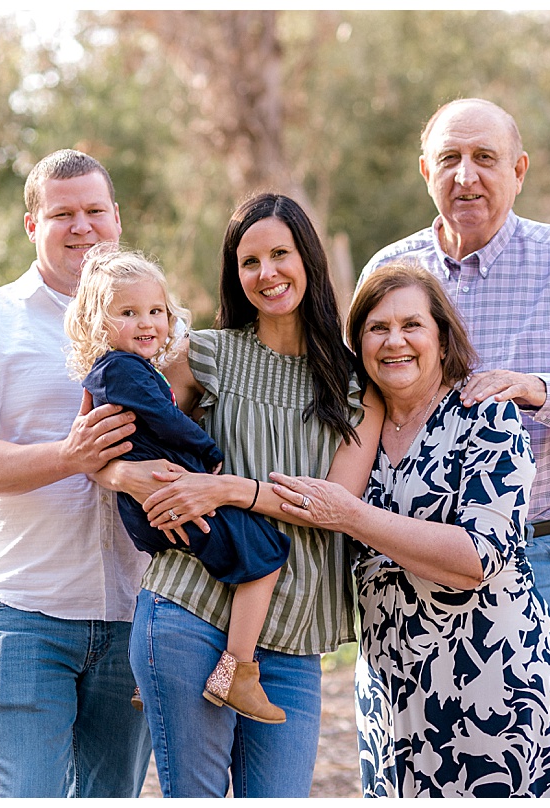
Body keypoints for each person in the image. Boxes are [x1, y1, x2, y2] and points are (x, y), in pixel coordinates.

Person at [359, 98, 550, 797]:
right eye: (451, 159)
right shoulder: (392, 267)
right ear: (425, 170)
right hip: (407, 570)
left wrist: (538, 390)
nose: (468, 175)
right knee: (413, 759)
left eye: (486, 158)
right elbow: (360, 407)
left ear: (518, 170)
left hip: (544, 552)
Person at [93, 192, 381, 797]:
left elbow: (335, 507)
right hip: (189, 611)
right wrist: (122, 477)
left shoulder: (357, 382)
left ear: (309, 258)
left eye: (280, 254)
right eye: (249, 262)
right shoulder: (205, 354)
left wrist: (225, 488)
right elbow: (103, 434)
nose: (266, 273)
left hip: (293, 635)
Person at [271, 263, 550, 797]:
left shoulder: (486, 416)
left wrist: (351, 515)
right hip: (394, 698)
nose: (395, 342)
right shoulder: (357, 424)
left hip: (494, 688)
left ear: (440, 335)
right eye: (377, 328)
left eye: (411, 325)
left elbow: (479, 558)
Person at [0, 149, 152, 797]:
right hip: (25, 614)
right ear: (31, 225)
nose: (82, 227)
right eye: (62, 213)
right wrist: (68, 457)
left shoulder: (159, 323)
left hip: (139, 613)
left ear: (117, 218)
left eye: (95, 211)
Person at [63, 243, 289, 724]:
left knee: (239, 555)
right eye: (128, 312)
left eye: (156, 311)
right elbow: (166, 420)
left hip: (152, 499)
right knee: (267, 552)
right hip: (167, 493)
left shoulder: (114, 372)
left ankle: (160, 674)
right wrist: (210, 453)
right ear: (98, 324)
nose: (147, 323)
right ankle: (239, 672)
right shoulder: (122, 369)